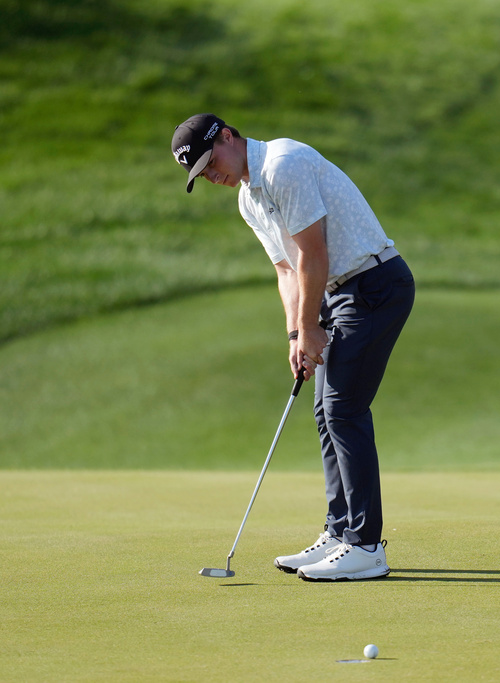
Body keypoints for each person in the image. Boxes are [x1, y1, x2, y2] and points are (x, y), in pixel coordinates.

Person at [171, 113, 415, 581]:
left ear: (228, 136)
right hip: (337, 293)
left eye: (210, 161)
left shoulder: (282, 164)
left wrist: (310, 328)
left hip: (374, 285)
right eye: (200, 173)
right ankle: (341, 531)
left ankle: (366, 545)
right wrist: (295, 335)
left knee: (343, 410)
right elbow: (286, 270)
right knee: (326, 412)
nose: (210, 175)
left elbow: (314, 252)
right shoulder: (249, 198)